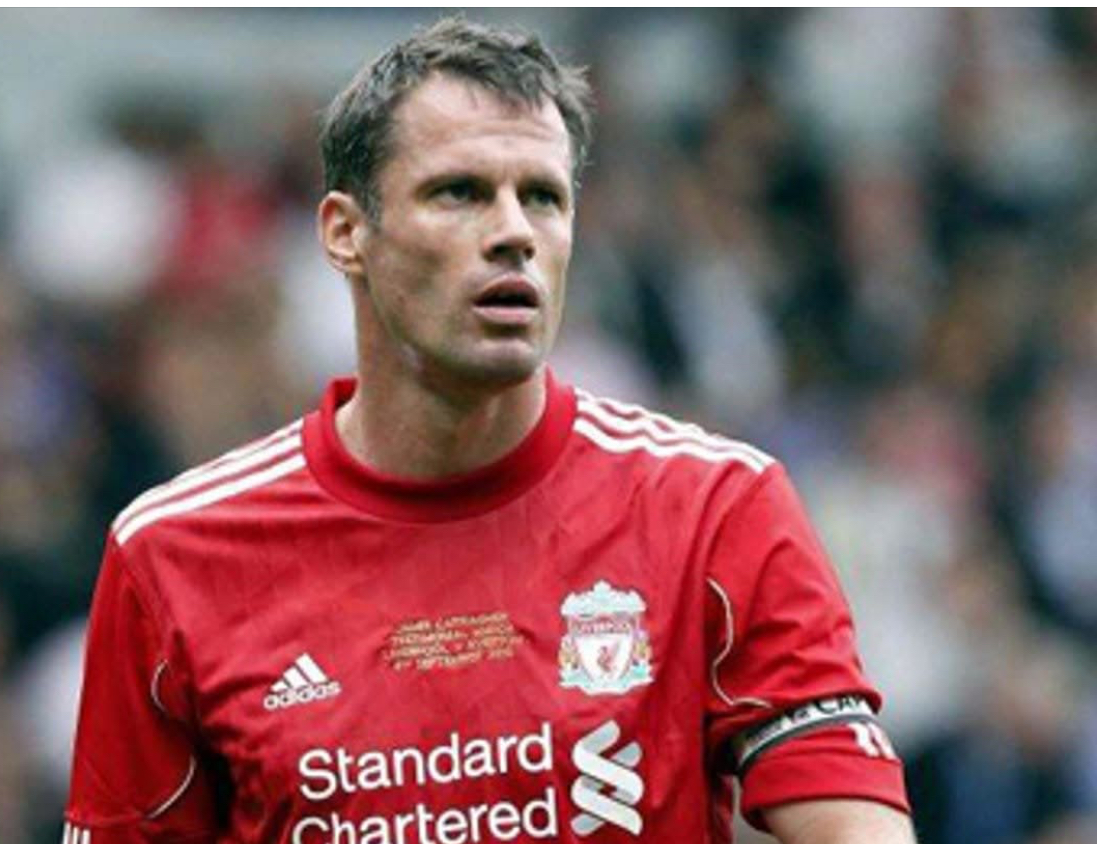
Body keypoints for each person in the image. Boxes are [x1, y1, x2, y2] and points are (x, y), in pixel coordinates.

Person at [64, 17, 915, 844]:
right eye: (459, 192)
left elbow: (855, 824)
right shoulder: (174, 556)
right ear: (346, 233)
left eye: (543, 197)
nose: (514, 233)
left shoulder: (713, 508)